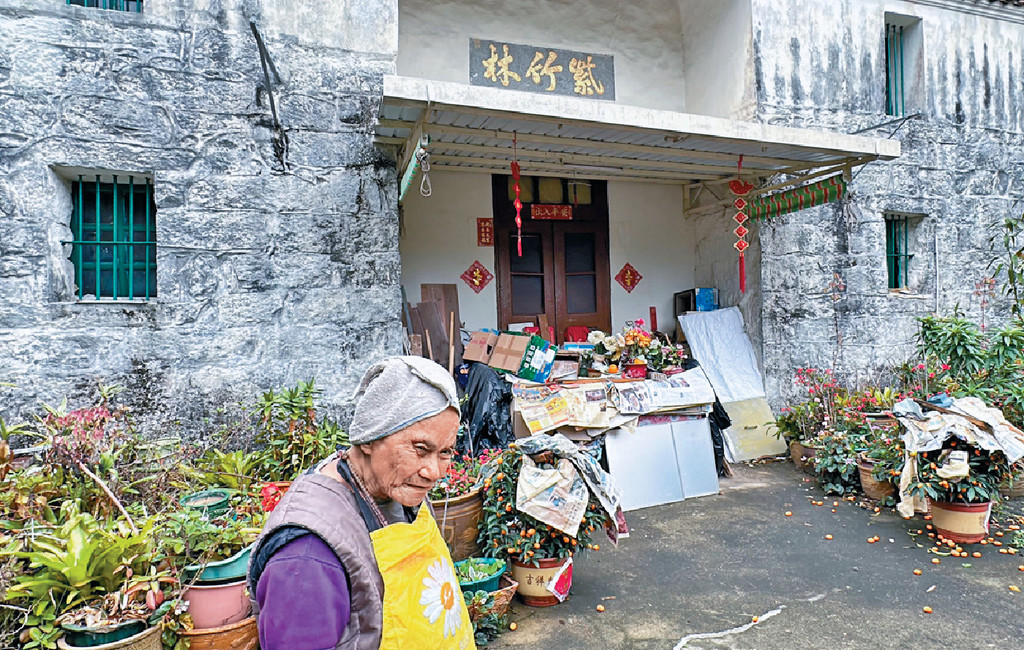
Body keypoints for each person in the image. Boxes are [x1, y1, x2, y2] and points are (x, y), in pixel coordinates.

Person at [247, 357, 476, 650]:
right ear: (368, 439)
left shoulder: (397, 488)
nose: (434, 472)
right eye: (420, 449)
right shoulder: (306, 558)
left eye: (445, 452)